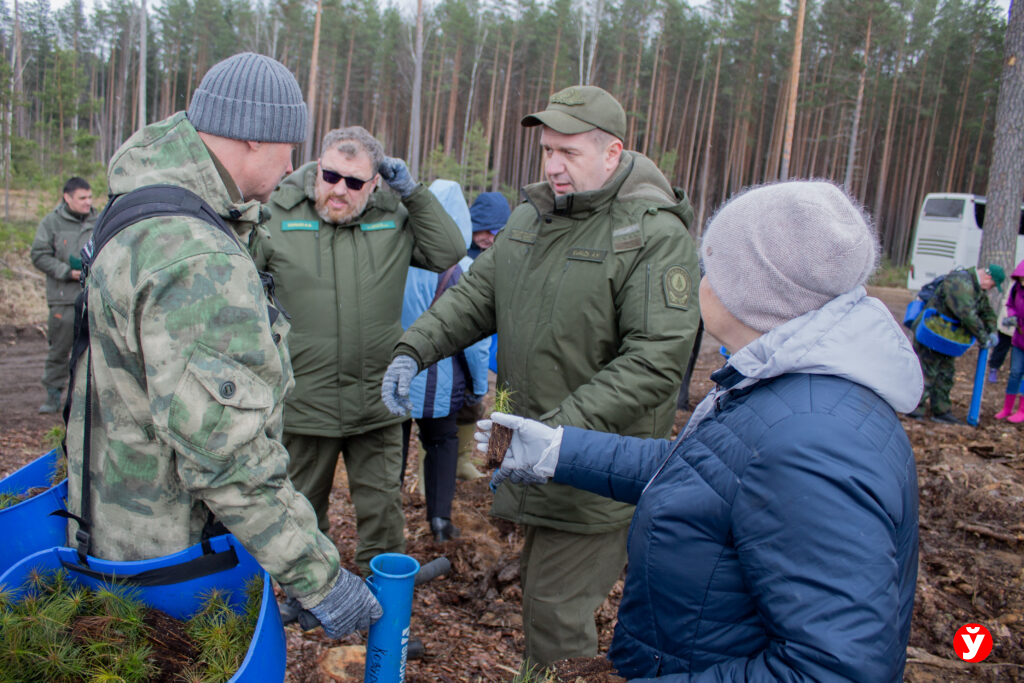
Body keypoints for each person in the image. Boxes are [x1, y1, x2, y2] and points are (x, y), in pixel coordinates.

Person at [476, 180, 922, 681]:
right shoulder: (787, 390)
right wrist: (556, 450)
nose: (700, 277)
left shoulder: (812, 443)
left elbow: (832, 670)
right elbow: (707, 475)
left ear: (751, 291)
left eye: (711, 265)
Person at [64, 52, 380, 640]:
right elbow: (226, 456)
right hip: (171, 562)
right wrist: (320, 577)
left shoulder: (139, 205)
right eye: (292, 146)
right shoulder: (197, 258)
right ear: (258, 138)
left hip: (107, 522)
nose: (295, 166)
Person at [382, 85, 701, 667]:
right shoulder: (531, 219)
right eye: (547, 150)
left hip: (598, 469)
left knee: (555, 612)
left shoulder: (653, 235)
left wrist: (557, 436)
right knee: (541, 597)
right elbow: (476, 298)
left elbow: (655, 360)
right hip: (534, 457)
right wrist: (414, 349)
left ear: (612, 153)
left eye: (569, 152)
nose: (552, 165)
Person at [253, 126, 465, 579]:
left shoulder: (394, 217)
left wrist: (413, 193)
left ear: (374, 185)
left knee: (384, 515)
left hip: (377, 403)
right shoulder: (275, 212)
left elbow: (449, 250)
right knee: (300, 511)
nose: (338, 189)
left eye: (353, 182)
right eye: (330, 175)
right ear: (317, 169)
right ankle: (314, 597)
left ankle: (383, 604)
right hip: (304, 402)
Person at [399, 179, 490, 541]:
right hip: (439, 378)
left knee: (393, 446)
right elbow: (474, 341)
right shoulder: (461, 268)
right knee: (441, 442)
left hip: (395, 371)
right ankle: (439, 522)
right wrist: (479, 386)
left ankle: (390, 528)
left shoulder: (397, 258)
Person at [30, 176, 97, 413]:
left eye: (90, 197)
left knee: (94, 352)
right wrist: (67, 272)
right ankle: (52, 395)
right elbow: (39, 254)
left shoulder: (98, 220)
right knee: (59, 350)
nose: (88, 202)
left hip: (94, 298)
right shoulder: (51, 223)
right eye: (82, 198)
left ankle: (88, 400)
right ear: (67, 198)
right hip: (64, 299)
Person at [908, 262, 1004, 424]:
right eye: (992, 284)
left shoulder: (977, 289)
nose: (990, 288)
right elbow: (966, 313)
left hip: (947, 336)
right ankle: (914, 407)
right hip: (932, 331)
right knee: (926, 370)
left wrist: (992, 330)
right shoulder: (960, 282)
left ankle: (941, 410)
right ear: (987, 276)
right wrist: (982, 336)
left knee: (946, 373)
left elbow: (986, 311)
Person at [994, 260, 1024, 421]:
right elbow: (1010, 305)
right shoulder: (1016, 289)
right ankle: (1007, 408)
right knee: (1015, 373)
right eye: (1021, 278)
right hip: (1019, 339)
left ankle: (1022, 410)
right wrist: (1012, 317)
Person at [467, 192, 510, 259]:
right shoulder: (456, 250)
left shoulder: (506, 254)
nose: (492, 239)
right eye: (488, 232)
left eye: (497, 234)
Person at [987, 283, 1015, 382]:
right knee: (1002, 347)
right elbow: (1008, 302)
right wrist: (1010, 317)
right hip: (1010, 323)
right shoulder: (1016, 284)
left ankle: (1016, 375)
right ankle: (993, 368)